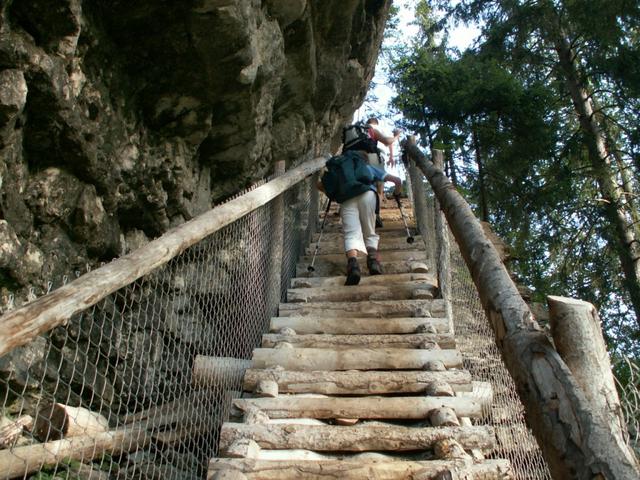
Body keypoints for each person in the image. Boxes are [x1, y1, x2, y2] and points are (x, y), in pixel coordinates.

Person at [337, 157, 402, 285]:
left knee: (351, 234)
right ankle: (373, 262)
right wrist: (397, 192)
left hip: (346, 198)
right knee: (369, 231)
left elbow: (321, 185)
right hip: (367, 194)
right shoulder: (368, 167)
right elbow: (397, 180)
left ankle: (353, 267)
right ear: (365, 160)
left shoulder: (342, 171)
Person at [365, 117, 401, 227]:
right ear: (377, 122)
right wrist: (396, 137)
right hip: (378, 158)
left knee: (367, 185)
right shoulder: (380, 128)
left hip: (363, 159)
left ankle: (365, 214)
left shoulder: (363, 129)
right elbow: (388, 142)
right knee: (380, 189)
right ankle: (375, 215)